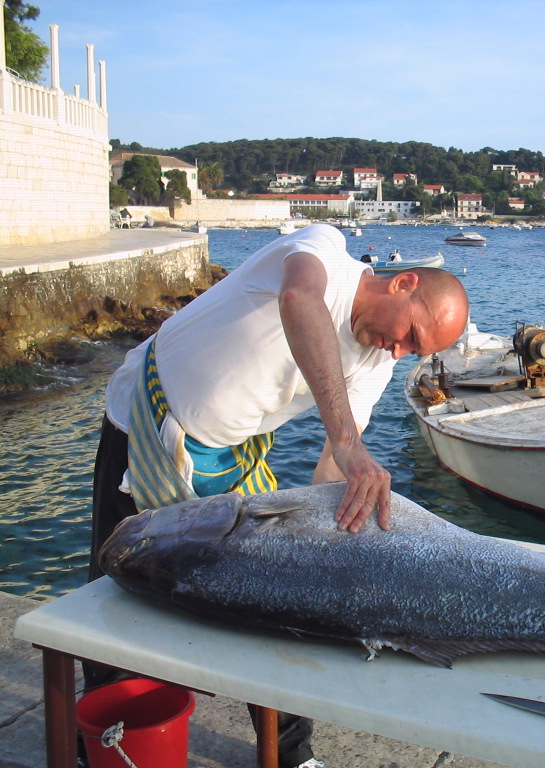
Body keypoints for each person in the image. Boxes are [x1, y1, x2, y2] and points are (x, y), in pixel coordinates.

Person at [85, 223, 469, 768]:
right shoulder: (320, 250)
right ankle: (104, 744)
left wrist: (346, 528)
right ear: (402, 283)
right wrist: (347, 440)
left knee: (274, 602)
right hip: (144, 426)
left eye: (416, 351)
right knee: (114, 586)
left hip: (235, 461)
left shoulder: (376, 360)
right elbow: (299, 298)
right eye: (410, 335)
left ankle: (293, 755)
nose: (403, 352)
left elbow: (335, 468)